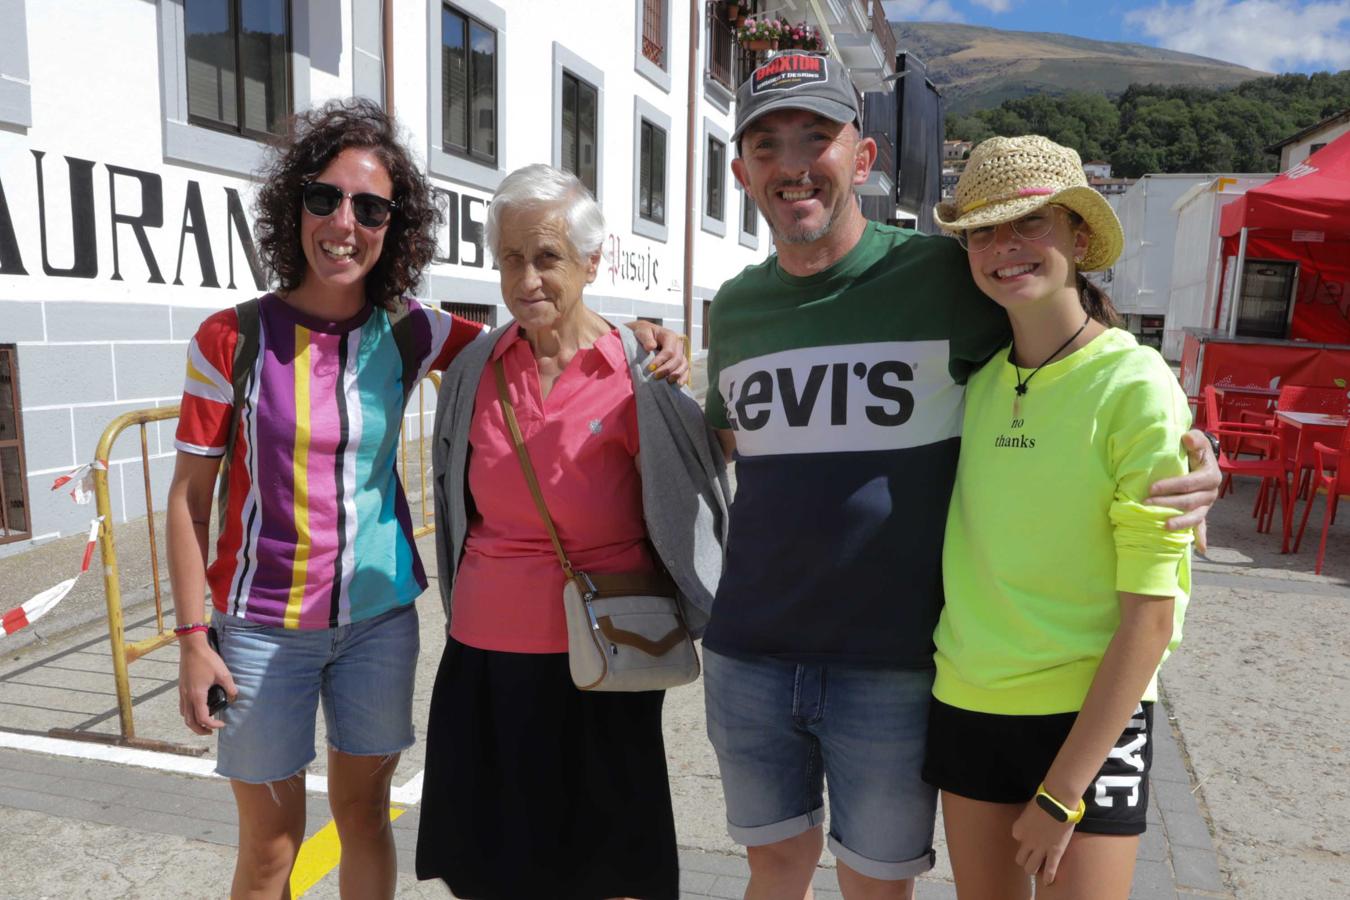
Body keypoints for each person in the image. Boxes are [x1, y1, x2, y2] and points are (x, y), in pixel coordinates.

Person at [700, 52, 1220, 900]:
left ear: (862, 158)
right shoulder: (740, 308)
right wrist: (644, 353)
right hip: (806, 663)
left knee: (878, 884)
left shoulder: (943, 276)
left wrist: (1193, 450)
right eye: (767, 145)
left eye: (816, 137)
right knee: (777, 869)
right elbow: (722, 440)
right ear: (742, 172)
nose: (792, 164)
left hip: (906, 667)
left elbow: (1084, 358)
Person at [165, 100, 687, 900]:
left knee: (365, 820)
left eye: (371, 208)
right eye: (324, 198)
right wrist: (191, 638)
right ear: (293, 205)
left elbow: (548, 326)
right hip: (263, 628)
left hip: (378, 623)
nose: (345, 223)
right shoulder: (230, 339)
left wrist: (643, 334)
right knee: (270, 849)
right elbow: (187, 499)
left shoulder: (413, 330)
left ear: (393, 226)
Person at [414, 163, 729, 900]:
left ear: (592, 261)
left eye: (547, 257)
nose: (527, 279)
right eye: (511, 259)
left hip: (611, 649)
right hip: (487, 651)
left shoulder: (641, 369)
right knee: (499, 861)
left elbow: (699, 485)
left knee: (610, 858)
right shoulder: (475, 366)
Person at [923, 135, 1191, 898]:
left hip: (1093, 716)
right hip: (969, 701)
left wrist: (1062, 791)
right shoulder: (975, 383)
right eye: (983, 232)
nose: (1003, 247)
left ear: (1078, 235)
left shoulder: (1135, 383)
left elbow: (1152, 616)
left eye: (1029, 223)